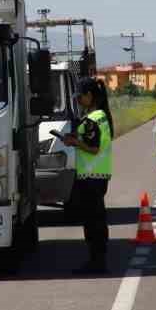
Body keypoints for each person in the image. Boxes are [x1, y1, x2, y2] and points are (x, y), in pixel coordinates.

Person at [59, 77, 113, 274]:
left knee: (93, 223)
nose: (79, 101)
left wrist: (75, 143)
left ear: (90, 95)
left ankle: (96, 263)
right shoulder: (101, 116)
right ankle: (98, 261)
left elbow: (93, 148)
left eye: (80, 97)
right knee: (97, 220)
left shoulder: (92, 119)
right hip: (97, 176)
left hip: (91, 178)